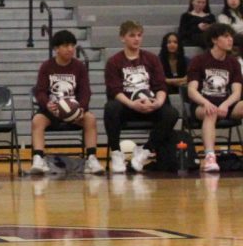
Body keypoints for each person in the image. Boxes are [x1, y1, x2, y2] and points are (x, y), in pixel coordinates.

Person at [103, 21, 180, 173]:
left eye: (139, 35)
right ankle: (116, 153)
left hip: (149, 105)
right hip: (127, 106)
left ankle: (145, 151)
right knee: (111, 107)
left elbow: (161, 86)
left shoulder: (151, 59)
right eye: (132, 35)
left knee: (171, 113)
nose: (136, 39)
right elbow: (114, 90)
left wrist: (158, 103)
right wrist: (132, 104)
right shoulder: (114, 61)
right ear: (122, 38)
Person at [29, 30, 101, 175]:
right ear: (56, 48)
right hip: (53, 109)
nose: (70, 49)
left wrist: (81, 108)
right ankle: (38, 158)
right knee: (37, 120)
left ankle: (91, 158)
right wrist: (47, 104)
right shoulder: (47, 66)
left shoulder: (79, 67)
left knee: (90, 119)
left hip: (74, 110)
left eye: (72, 45)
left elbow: (85, 91)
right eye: (66, 46)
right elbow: (40, 91)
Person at [186, 22, 243, 174]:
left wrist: (226, 104)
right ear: (214, 40)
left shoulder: (233, 62)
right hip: (203, 104)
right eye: (225, 36)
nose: (230, 40)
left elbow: (237, 92)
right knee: (210, 112)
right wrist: (206, 102)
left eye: (231, 36)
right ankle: (210, 156)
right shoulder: (199, 60)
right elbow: (192, 91)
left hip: (226, 104)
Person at [159, 32, 188, 99]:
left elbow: (189, 78)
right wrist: (180, 81)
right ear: (165, 45)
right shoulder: (158, 60)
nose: (172, 45)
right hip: (167, 87)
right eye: (169, 42)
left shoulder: (186, 60)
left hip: (183, 86)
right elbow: (161, 79)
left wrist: (170, 81)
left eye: (175, 42)